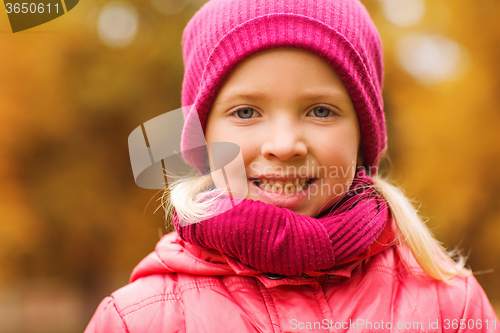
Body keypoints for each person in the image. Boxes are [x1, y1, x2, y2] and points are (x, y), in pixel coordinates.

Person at [84, 0, 499, 332]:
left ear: (362, 136)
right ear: (203, 137)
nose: (284, 146)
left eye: (320, 110)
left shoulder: (451, 307)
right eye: (246, 112)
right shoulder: (137, 320)